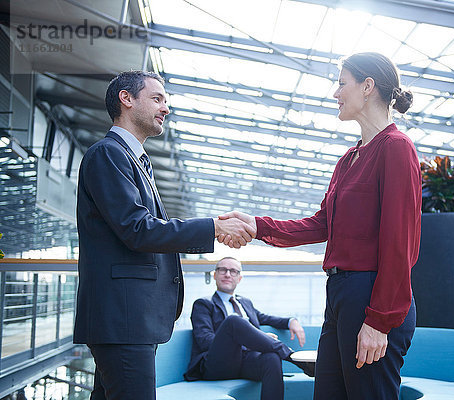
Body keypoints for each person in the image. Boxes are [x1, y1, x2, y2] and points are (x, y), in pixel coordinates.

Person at [219, 52, 421, 400]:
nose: (335, 93)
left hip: (371, 297)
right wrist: (257, 225)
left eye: (342, 83)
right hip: (341, 295)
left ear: (368, 86)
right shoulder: (349, 158)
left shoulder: (397, 148)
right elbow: (321, 224)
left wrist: (379, 320)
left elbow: (399, 243)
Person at [73, 71, 255, 400]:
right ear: (126, 100)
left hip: (130, 319)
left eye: (166, 101)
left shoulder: (135, 160)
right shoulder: (108, 154)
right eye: (157, 99)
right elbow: (138, 229)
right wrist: (213, 227)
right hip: (123, 318)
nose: (166, 108)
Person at [184, 257, 313, 400]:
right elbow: (205, 340)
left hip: (245, 363)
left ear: (239, 278)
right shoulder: (203, 304)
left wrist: (291, 321)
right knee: (233, 321)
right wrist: (251, 341)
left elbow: (266, 318)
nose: (227, 274)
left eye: (233, 271)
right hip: (217, 365)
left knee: (271, 358)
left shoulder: (245, 303)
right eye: (222, 270)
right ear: (215, 275)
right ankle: (292, 357)